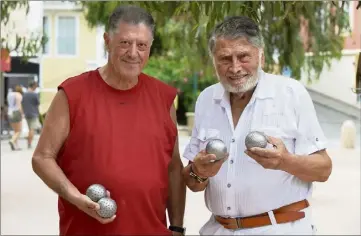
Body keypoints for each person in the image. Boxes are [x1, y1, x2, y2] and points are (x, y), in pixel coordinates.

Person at [32, 5, 186, 235]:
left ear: (149, 47)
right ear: (107, 40)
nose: (133, 53)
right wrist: (75, 197)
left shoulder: (163, 97)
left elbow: (174, 168)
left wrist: (176, 227)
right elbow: (42, 158)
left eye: (141, 45)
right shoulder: (73, 94)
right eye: (125, 43)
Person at [182, 16, 332, 235]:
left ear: (260, 55)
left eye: (243, 57)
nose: (235, 68)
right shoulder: (206, 99)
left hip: (279, 229)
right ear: (213, 60)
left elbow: (324, 169)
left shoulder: (291, 93)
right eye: (225, 59)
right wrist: (198, 171)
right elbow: (193, 183)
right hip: (219, 229)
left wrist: (285, 161)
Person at [22, 81, 40, 149]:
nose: (36, 87)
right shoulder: (34, 94)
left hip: (26, 114)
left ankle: (28, 141)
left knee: (30, 129)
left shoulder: (24, 94)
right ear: (33, 86)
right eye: (36, 86)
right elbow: (38, 103)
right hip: (33, 113)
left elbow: (22, 103)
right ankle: (29, 144)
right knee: (32, 129)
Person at [7, 85, 24, 150]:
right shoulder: (19, 95)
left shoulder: (10, 94)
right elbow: (19, 105)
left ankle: (16, 146)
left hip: (10, 112)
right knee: (19, 130)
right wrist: (22, 114)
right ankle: (12, 140)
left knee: (15, 131)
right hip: (16, 112)